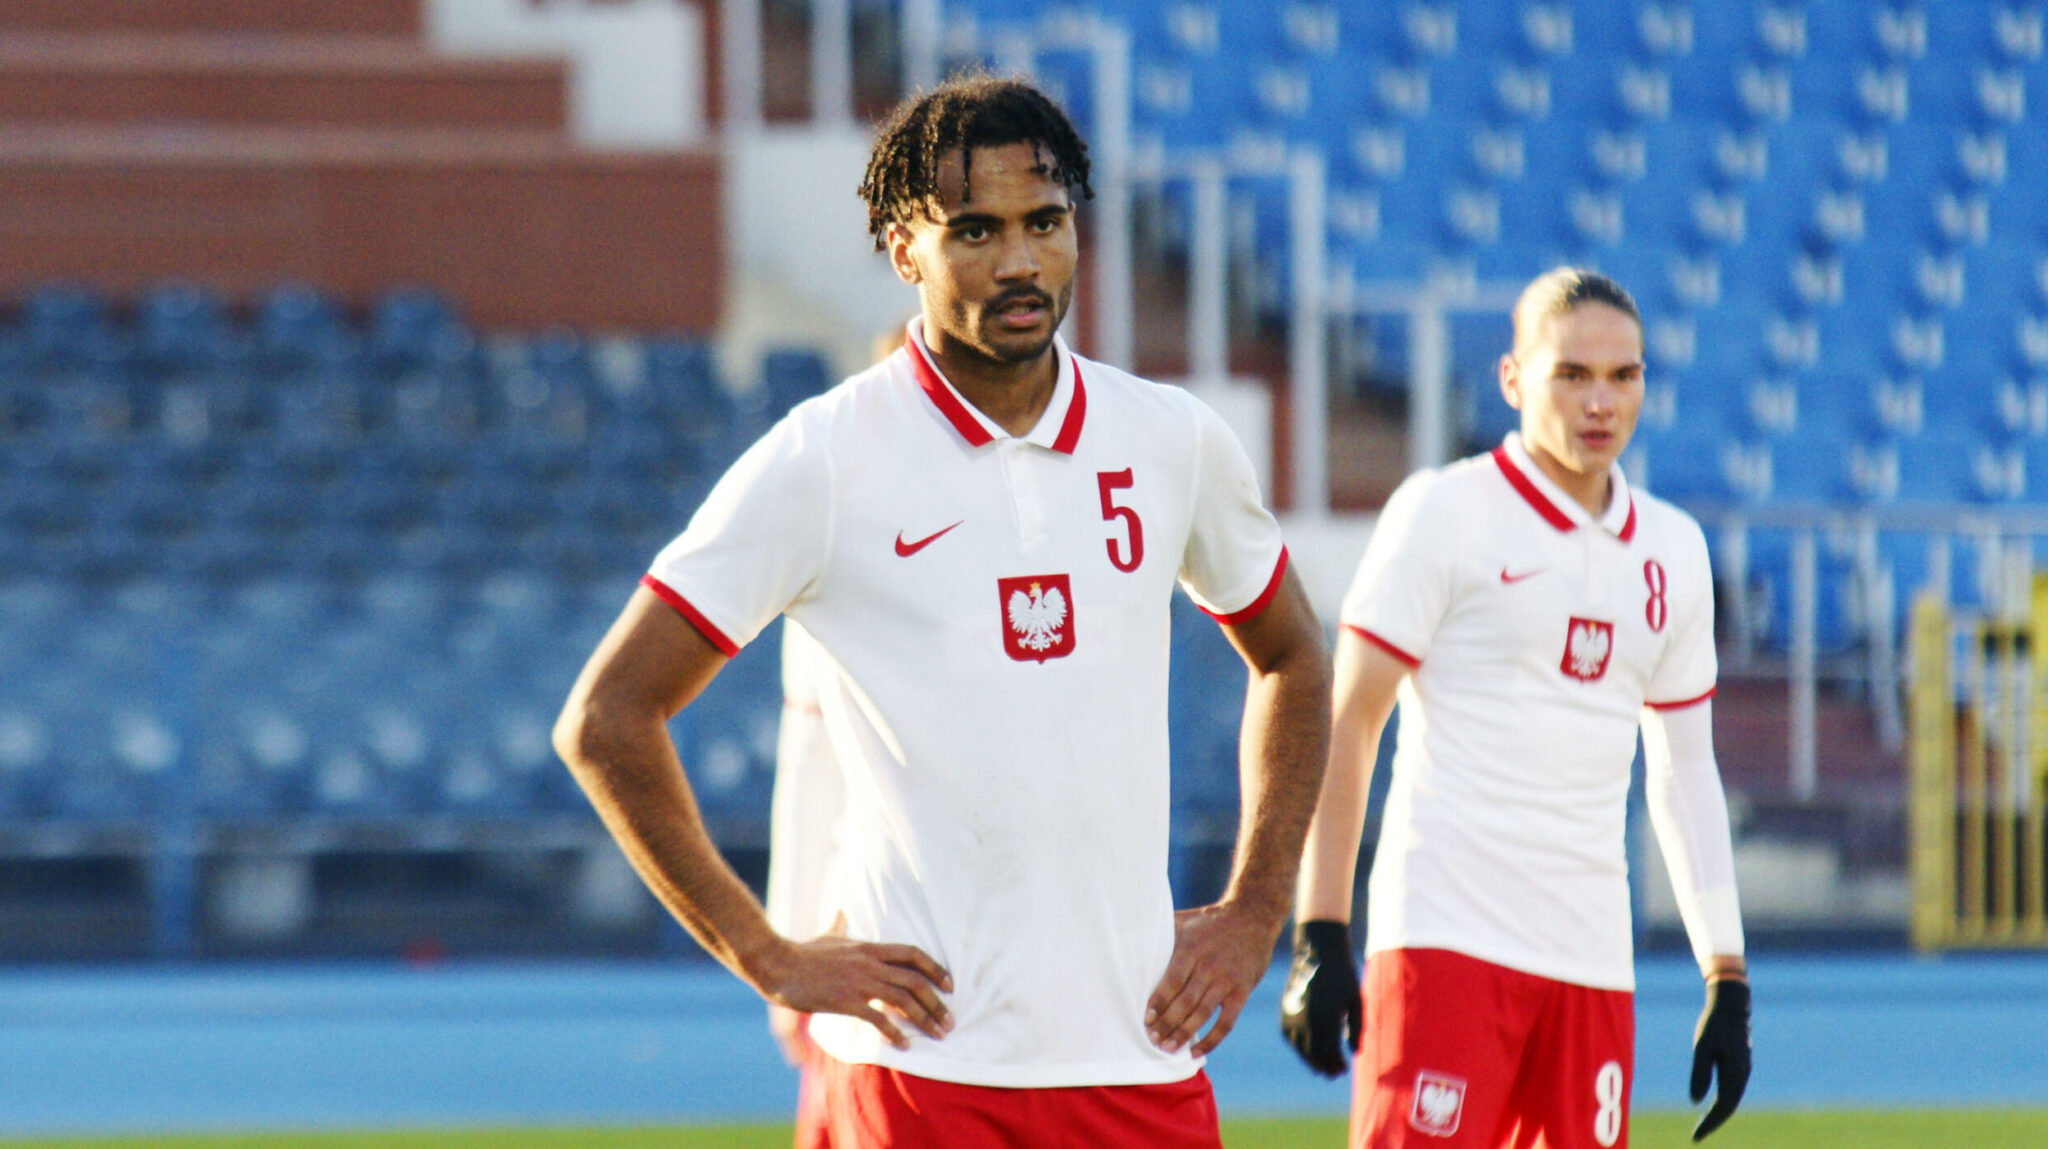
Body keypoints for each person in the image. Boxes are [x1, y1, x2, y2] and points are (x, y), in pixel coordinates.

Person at [554, 74, 1330, 1149]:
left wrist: (1255, 909)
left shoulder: (1170, 439)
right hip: (919, 1081)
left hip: (1138, 1062)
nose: (1018, 262)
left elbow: (1291, 654)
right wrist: (766, 954)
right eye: (972, 230)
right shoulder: (822, 458)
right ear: (900, 249)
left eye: (1043, 224)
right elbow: (605, 719)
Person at [1279, 269, 1751, 1148]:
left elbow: (1684, 768)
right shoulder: (1446, 512)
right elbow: (1353, 719)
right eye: (1572, 374)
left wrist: (1726, 971)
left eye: (1624, 376)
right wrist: (1321, 929)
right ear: (1513, 380)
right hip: (1446, 942)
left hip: (1593, 963)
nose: (1600, 401)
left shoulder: (1675, 551)